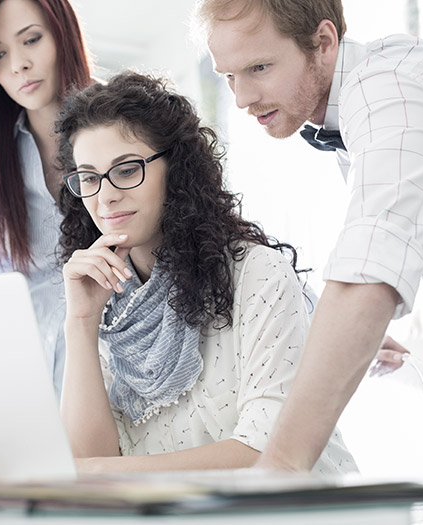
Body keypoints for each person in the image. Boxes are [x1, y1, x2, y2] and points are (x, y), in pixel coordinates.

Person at [55, 71, 356, 474]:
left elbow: (269, 454)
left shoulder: (257, 274)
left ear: (176, 170)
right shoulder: (108, 305)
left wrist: (103, 473)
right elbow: (87, 462)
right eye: (89, 178)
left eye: (127, 170)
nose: (106, 195)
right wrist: (81, 322)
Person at [197, 0, 423, 471]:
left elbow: (371, 261)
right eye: (228, 77)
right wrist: (347, 335)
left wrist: (279, 469)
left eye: (259, 67)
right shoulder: (355, 105)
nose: (242, 99)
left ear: (324, 43)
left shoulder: (384, 83)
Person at [0, 0, 91, 397]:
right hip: (24, 375)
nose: (17, 65)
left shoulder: (121, 122)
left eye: (30, 40)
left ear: (61, 33)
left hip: (116, 365)